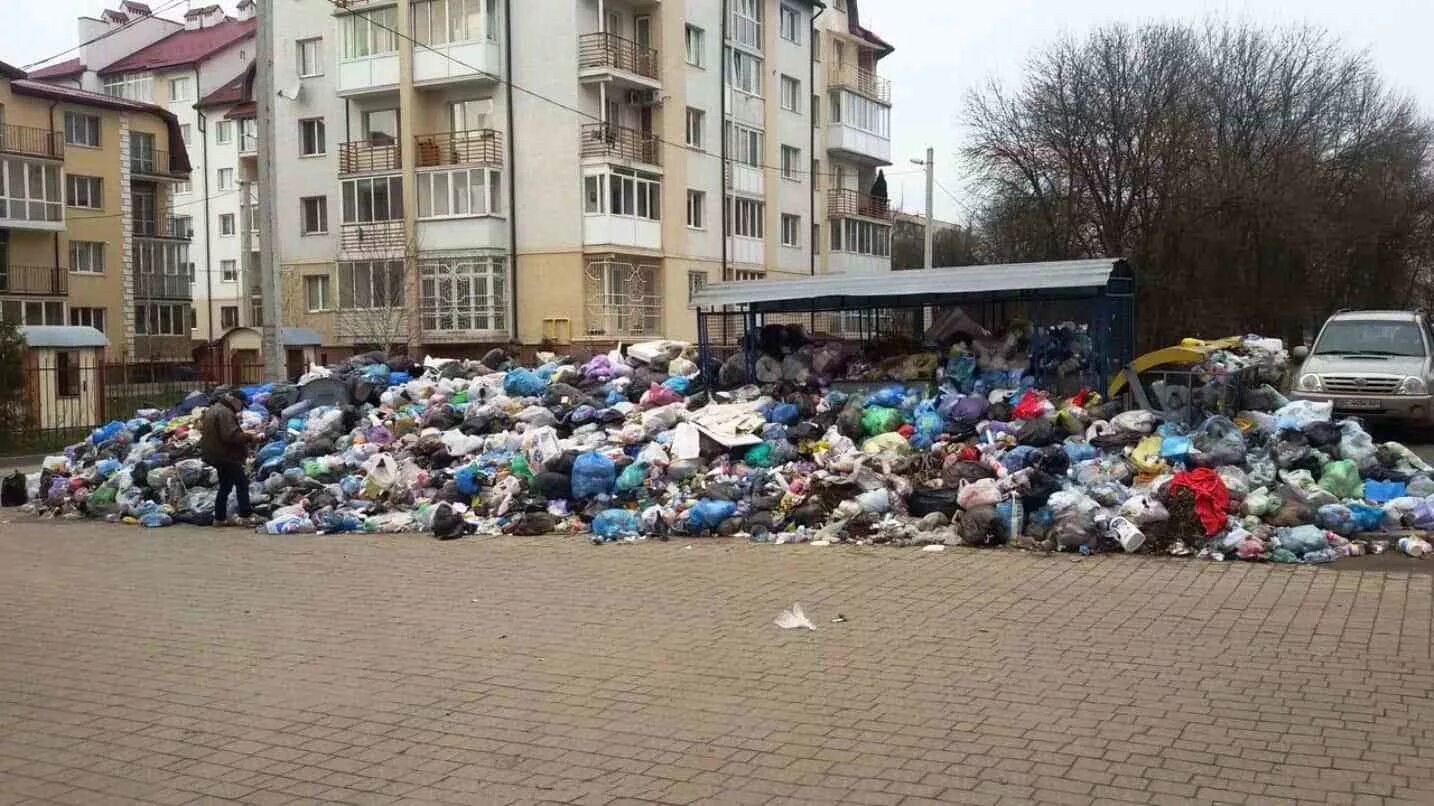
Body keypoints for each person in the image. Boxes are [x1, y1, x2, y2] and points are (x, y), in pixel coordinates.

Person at [200, 390, 261, 526]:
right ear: (235, 400)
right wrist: (250, 437)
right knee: (242, 483)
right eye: (242, 405)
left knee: (226, 485)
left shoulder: (216, 409)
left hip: (215, 454)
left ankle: (219, 518)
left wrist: (244, 433)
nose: (241, 409)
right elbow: (230, 436)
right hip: (225, 455)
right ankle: (246, 516)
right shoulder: (225, 413)